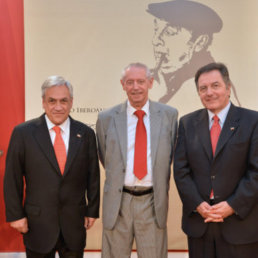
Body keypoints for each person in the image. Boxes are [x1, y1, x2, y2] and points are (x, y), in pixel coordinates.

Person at [4, 76, 100, 258]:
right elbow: (12, 178)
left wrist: (92, 210)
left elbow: (92, 175)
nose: (58, 106)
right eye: (52, 101)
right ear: (43, 103)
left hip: (74, 224)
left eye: (64, 101)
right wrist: (16, 215)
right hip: (37, 225)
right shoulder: (23, 133)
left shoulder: (86, 134)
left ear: (71, 102)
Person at [173, 62, 258, 258]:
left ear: (228, 88)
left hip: (240, 225)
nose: (209, 92)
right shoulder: (187, 123)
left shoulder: (252, 121)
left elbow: (255, 172)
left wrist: (232, 205)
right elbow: (181, 171)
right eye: (203, 88)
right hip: (200, 224)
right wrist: (197, 204)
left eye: (215, 85)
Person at [96, 63, 178, 258]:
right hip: (119, 201)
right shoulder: (107, 117)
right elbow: (104, 155)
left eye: (141, 81)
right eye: (130, 82)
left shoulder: (169, 115)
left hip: (152, 201)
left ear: (150, 83)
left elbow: (170, 155)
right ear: (122, 85)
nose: (135, 87)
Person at [146, 0, 240, 106]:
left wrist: (160, 98)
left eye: (169, 32)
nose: (156, 40)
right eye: (156, 30)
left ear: (200, 42)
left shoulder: (214, 86)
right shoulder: (156, 78)